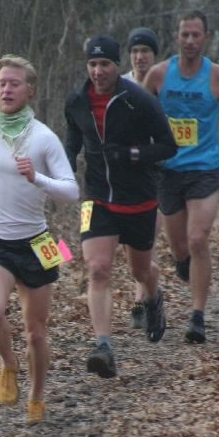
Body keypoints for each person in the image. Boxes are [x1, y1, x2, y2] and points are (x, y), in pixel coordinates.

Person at [0, 54, 79, 422]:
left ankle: (37, 396)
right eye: (1, 83)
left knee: (35, 334)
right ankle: (9, 364)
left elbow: (71, 191)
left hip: (38, 243)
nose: (7, 89)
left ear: (30, 90)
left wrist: (37, 179)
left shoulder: (44, 139)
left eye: (14, 83)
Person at [65, 35, 177, 378]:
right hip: (96, 198)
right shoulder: (76, 101)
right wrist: (64, 167)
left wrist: (133, 154)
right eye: (93, 64)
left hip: (139, 199)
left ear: (117, 66)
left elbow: (168, 147)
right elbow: (72, 139)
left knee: (140, 272)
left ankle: (153, 299)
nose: (98, 71)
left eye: (105, 64)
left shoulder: (138, 100)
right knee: (97, 268)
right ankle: (103, 346)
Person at [144, 10, 219, 343]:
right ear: (176, 37)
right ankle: (185, 266)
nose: (190, 41)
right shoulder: (159, 74)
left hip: (204, 168)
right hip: (168, 171)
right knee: (179, 247)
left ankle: (197, 316)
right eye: (184, 35)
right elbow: (137, 105)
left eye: (196, 35)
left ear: (206, 37)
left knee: (197, 239)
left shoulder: (218, 75)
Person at [123, 27, 162, 328]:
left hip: (158, 173)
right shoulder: (119, 84)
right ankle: (148, 293)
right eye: (135, 51)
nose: (140, 56)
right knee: (129, 247)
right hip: (124, 175)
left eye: (145, 51)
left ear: (154, 55)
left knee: (145, 242)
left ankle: (141, 301)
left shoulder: (165, 84)